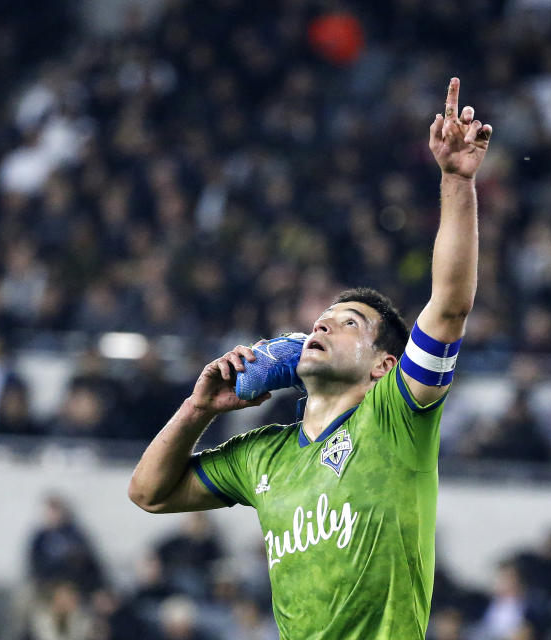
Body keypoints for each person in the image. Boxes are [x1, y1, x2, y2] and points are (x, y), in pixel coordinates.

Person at [129, 77, 492, 639]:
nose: (322, 323)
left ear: (383, 366)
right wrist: (197, 411)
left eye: (351, 323)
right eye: (322, 318)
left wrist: (455, 181)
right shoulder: (262, 456)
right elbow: (148, 494)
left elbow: (448, 307)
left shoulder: (397, 417)